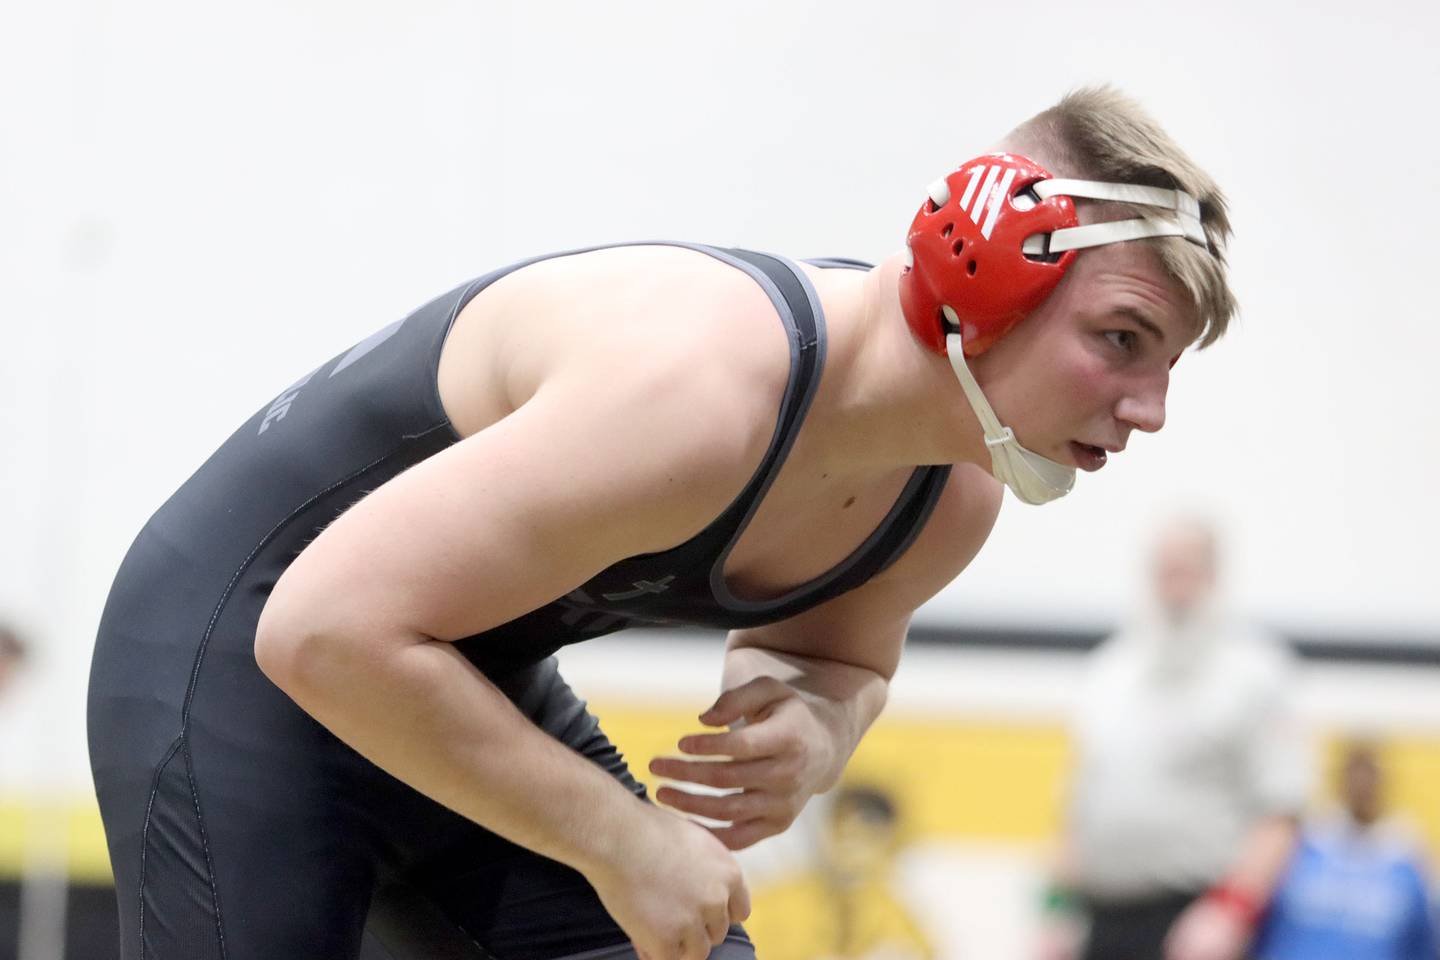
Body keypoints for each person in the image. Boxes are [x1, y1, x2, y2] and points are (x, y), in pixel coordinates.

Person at [87, 86, 1235, 960]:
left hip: (445, 681)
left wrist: (820, 728)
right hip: (237, 652)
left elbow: (836, 660)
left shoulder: (949, 493)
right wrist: (620, 840)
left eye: (1169, 365)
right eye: (1123, 339)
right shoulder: (701, 384)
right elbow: (320, 631)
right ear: (982, 277)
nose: (1150, 410)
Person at [1038, 518, 1310, 960]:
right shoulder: (1111, 670)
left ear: (1214, 575)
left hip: (1197, 923)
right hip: (1101, 920)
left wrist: (1230, 913)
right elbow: (1079, 806)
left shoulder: (1254, 673)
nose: (1173, 586)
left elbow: (1279, 815)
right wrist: (1054, 910)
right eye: (1164, 570)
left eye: (1185, 570)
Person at [1253, 741, 1439, 960]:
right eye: (1354, 775)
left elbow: (1423, 942)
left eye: (1369, 776)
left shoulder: (1407, 857)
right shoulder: (1302, 844)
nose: (1361, 786)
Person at [744, 785, 934, 960]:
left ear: (890, 848)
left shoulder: (896, 917)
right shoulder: (779, 902)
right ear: (829, 832)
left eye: (869, 840)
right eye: (848, 835)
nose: (855, 852)